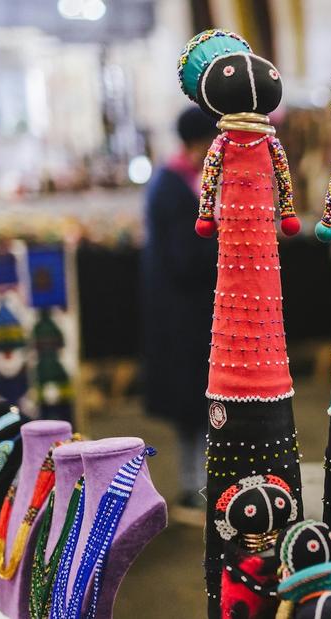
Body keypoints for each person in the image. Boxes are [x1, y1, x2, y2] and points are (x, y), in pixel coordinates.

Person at [141, 107, 217, 517]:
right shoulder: (173, 188)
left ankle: (198, 484)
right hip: (181, 314)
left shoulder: (176, 182)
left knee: (196, 406)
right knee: (193, 406)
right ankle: (195, 487)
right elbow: (186, 259)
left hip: (182, 311)